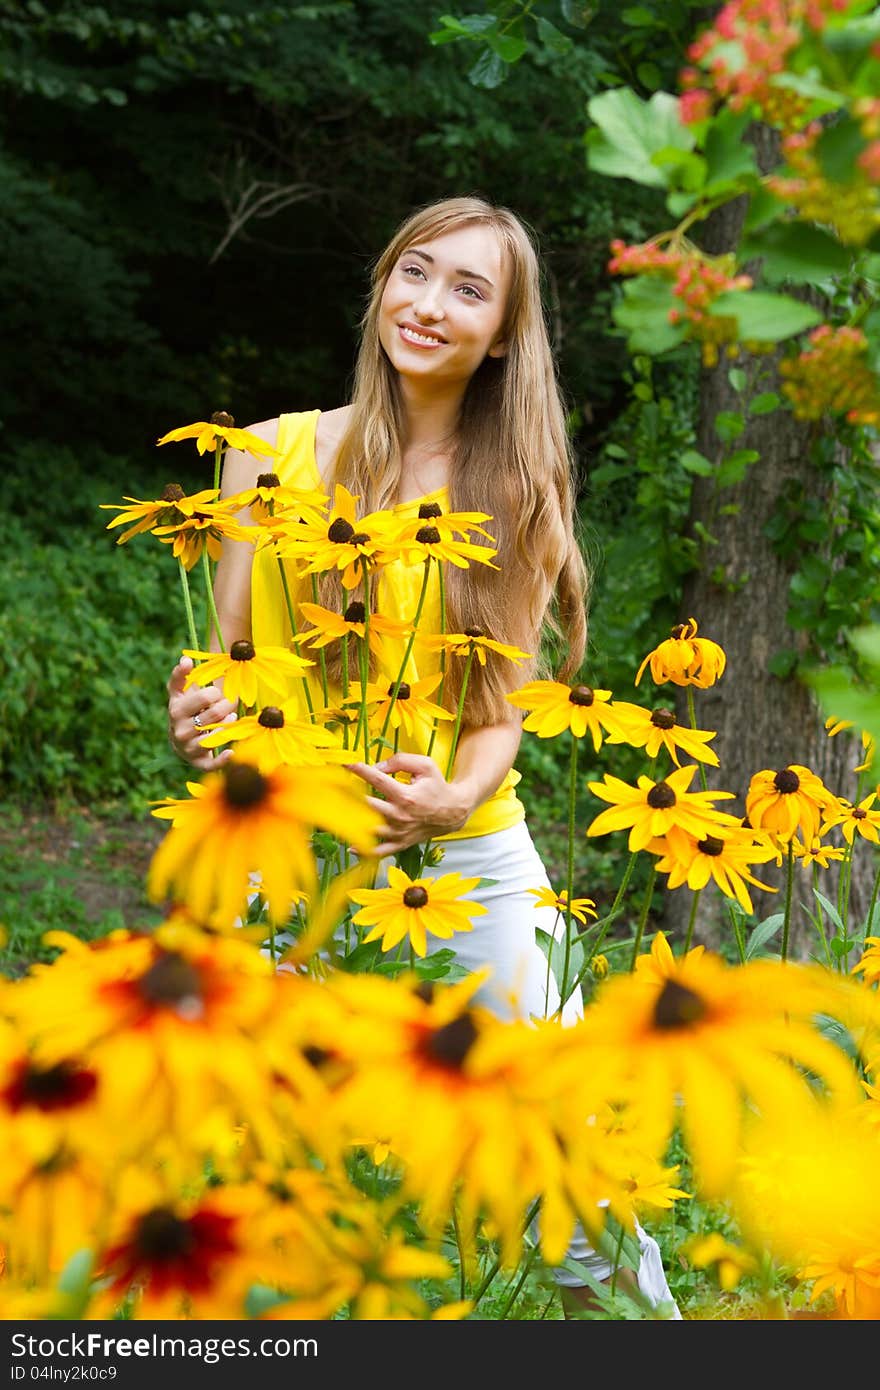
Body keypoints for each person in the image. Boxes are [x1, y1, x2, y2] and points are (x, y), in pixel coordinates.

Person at [165, 195, 680, 1318]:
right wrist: (203, 716)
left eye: (468, 289)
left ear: (503, 334)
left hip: (468, 861)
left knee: (564, 1164)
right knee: (284, 1169)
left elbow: (500, 708)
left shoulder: (512, 489)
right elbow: (234, 660)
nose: (429, 304)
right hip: (291, 867)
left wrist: (451, 798)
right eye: (415, 271)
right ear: (381, 288)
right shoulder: (265, 456)